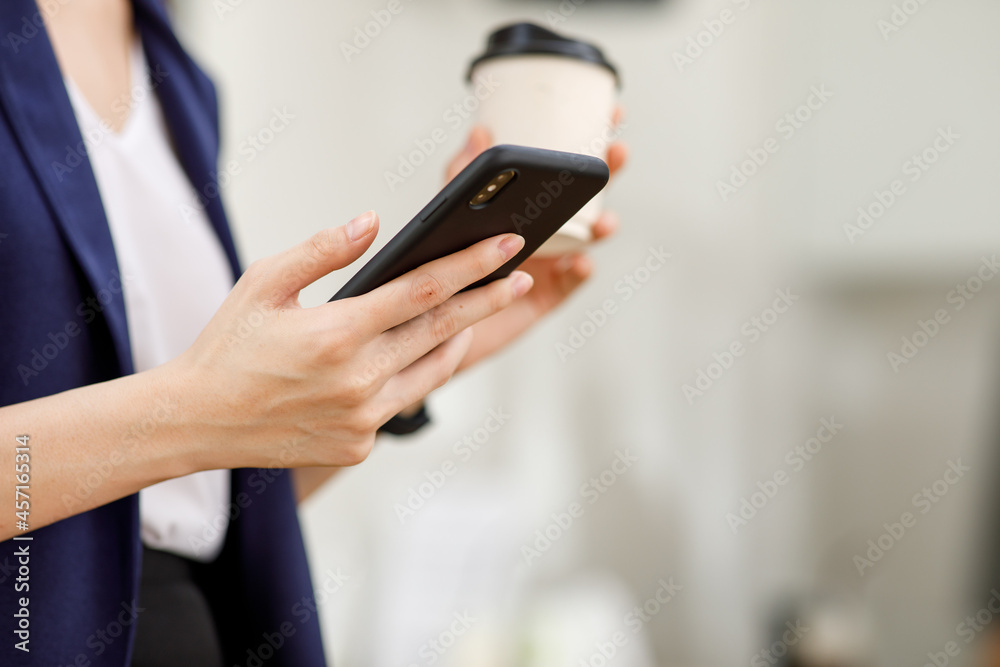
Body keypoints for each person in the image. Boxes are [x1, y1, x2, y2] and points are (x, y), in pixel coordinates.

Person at [0, 0, 627, 665]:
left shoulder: (178, 76)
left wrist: (414, 344)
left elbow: (197, 505)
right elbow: (180, 430)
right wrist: (190, 412)